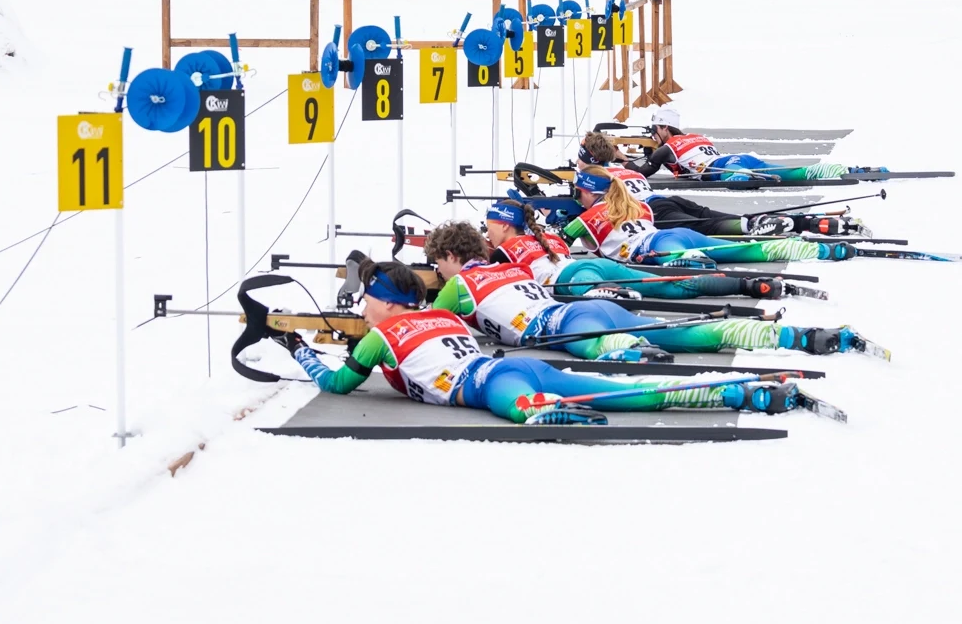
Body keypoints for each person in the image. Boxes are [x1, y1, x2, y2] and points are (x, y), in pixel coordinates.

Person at [281, 258, 808, 425]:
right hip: (529, 352)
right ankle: (736, 382)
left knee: (570, 400)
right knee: (627, 384)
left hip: (502, 377)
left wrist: (298, 348)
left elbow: (339, 384)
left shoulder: (383, 335)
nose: (362, 308)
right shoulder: (442, 317)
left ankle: (542, 408)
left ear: (383, 301)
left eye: (367, 299)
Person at [426, 222, 875, 361]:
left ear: (450, 258)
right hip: (585, 302)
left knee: (605, 345)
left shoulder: (460, 286)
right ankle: (793, 336)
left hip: (567, 321)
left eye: (437, 264)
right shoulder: (510, 270)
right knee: (681, 331)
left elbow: (430, 322)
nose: (436, 272)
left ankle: (630, 350)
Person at [482, 197, 823, 301]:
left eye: (488, 226)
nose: (486, 233)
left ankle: (605, 293)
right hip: (651, 241)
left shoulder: (506, 251)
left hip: (580, 276)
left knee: (678, 276)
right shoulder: (633, 203)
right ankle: (751, 278)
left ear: (503, 225)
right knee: (728, 250)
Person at [564, 174, 854, 268]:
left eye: (578, 194)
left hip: (662, 241)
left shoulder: (587, 218)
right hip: (667, 221)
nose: (577, 199)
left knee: (696, 262)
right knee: (738, 243)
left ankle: (810, 247)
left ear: (590, 191)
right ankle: (807, 241)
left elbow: (560, 245)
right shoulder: (631, 201)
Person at [578, 130, 799, 237]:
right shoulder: (620, 169)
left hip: (652, 211)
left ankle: (752, 225)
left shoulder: (593, 178)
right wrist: (624, 158)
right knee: (712, 216)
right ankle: (770, 221)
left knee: (706, 226)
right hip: (666, 202)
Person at [639, 108, 883, 183]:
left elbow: (644, 172)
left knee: (737, 182)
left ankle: (747, 177)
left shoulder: (667, 147)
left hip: (728, 167)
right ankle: (851, 170)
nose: (653, 134)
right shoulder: (696, 136)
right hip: (738, 159)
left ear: (663, 128)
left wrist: (616, 160)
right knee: (797, 173)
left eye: (654, 130)